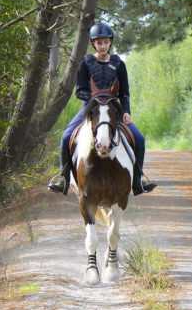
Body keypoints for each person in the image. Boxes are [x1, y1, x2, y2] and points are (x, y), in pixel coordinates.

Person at [48, 21, 156, 196]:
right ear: (93, 43)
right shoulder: (85, 63)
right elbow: (80, 91)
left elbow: (125, 92)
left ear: (110, 42)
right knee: (65, 137)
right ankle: (64, 179)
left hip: (114, 109)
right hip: (90, 109)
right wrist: (95, 101)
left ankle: (137, 182)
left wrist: (126, 111)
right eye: (99, 42)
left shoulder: (119, 64)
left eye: (106, 42)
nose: (103, 45)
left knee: (140, 139)